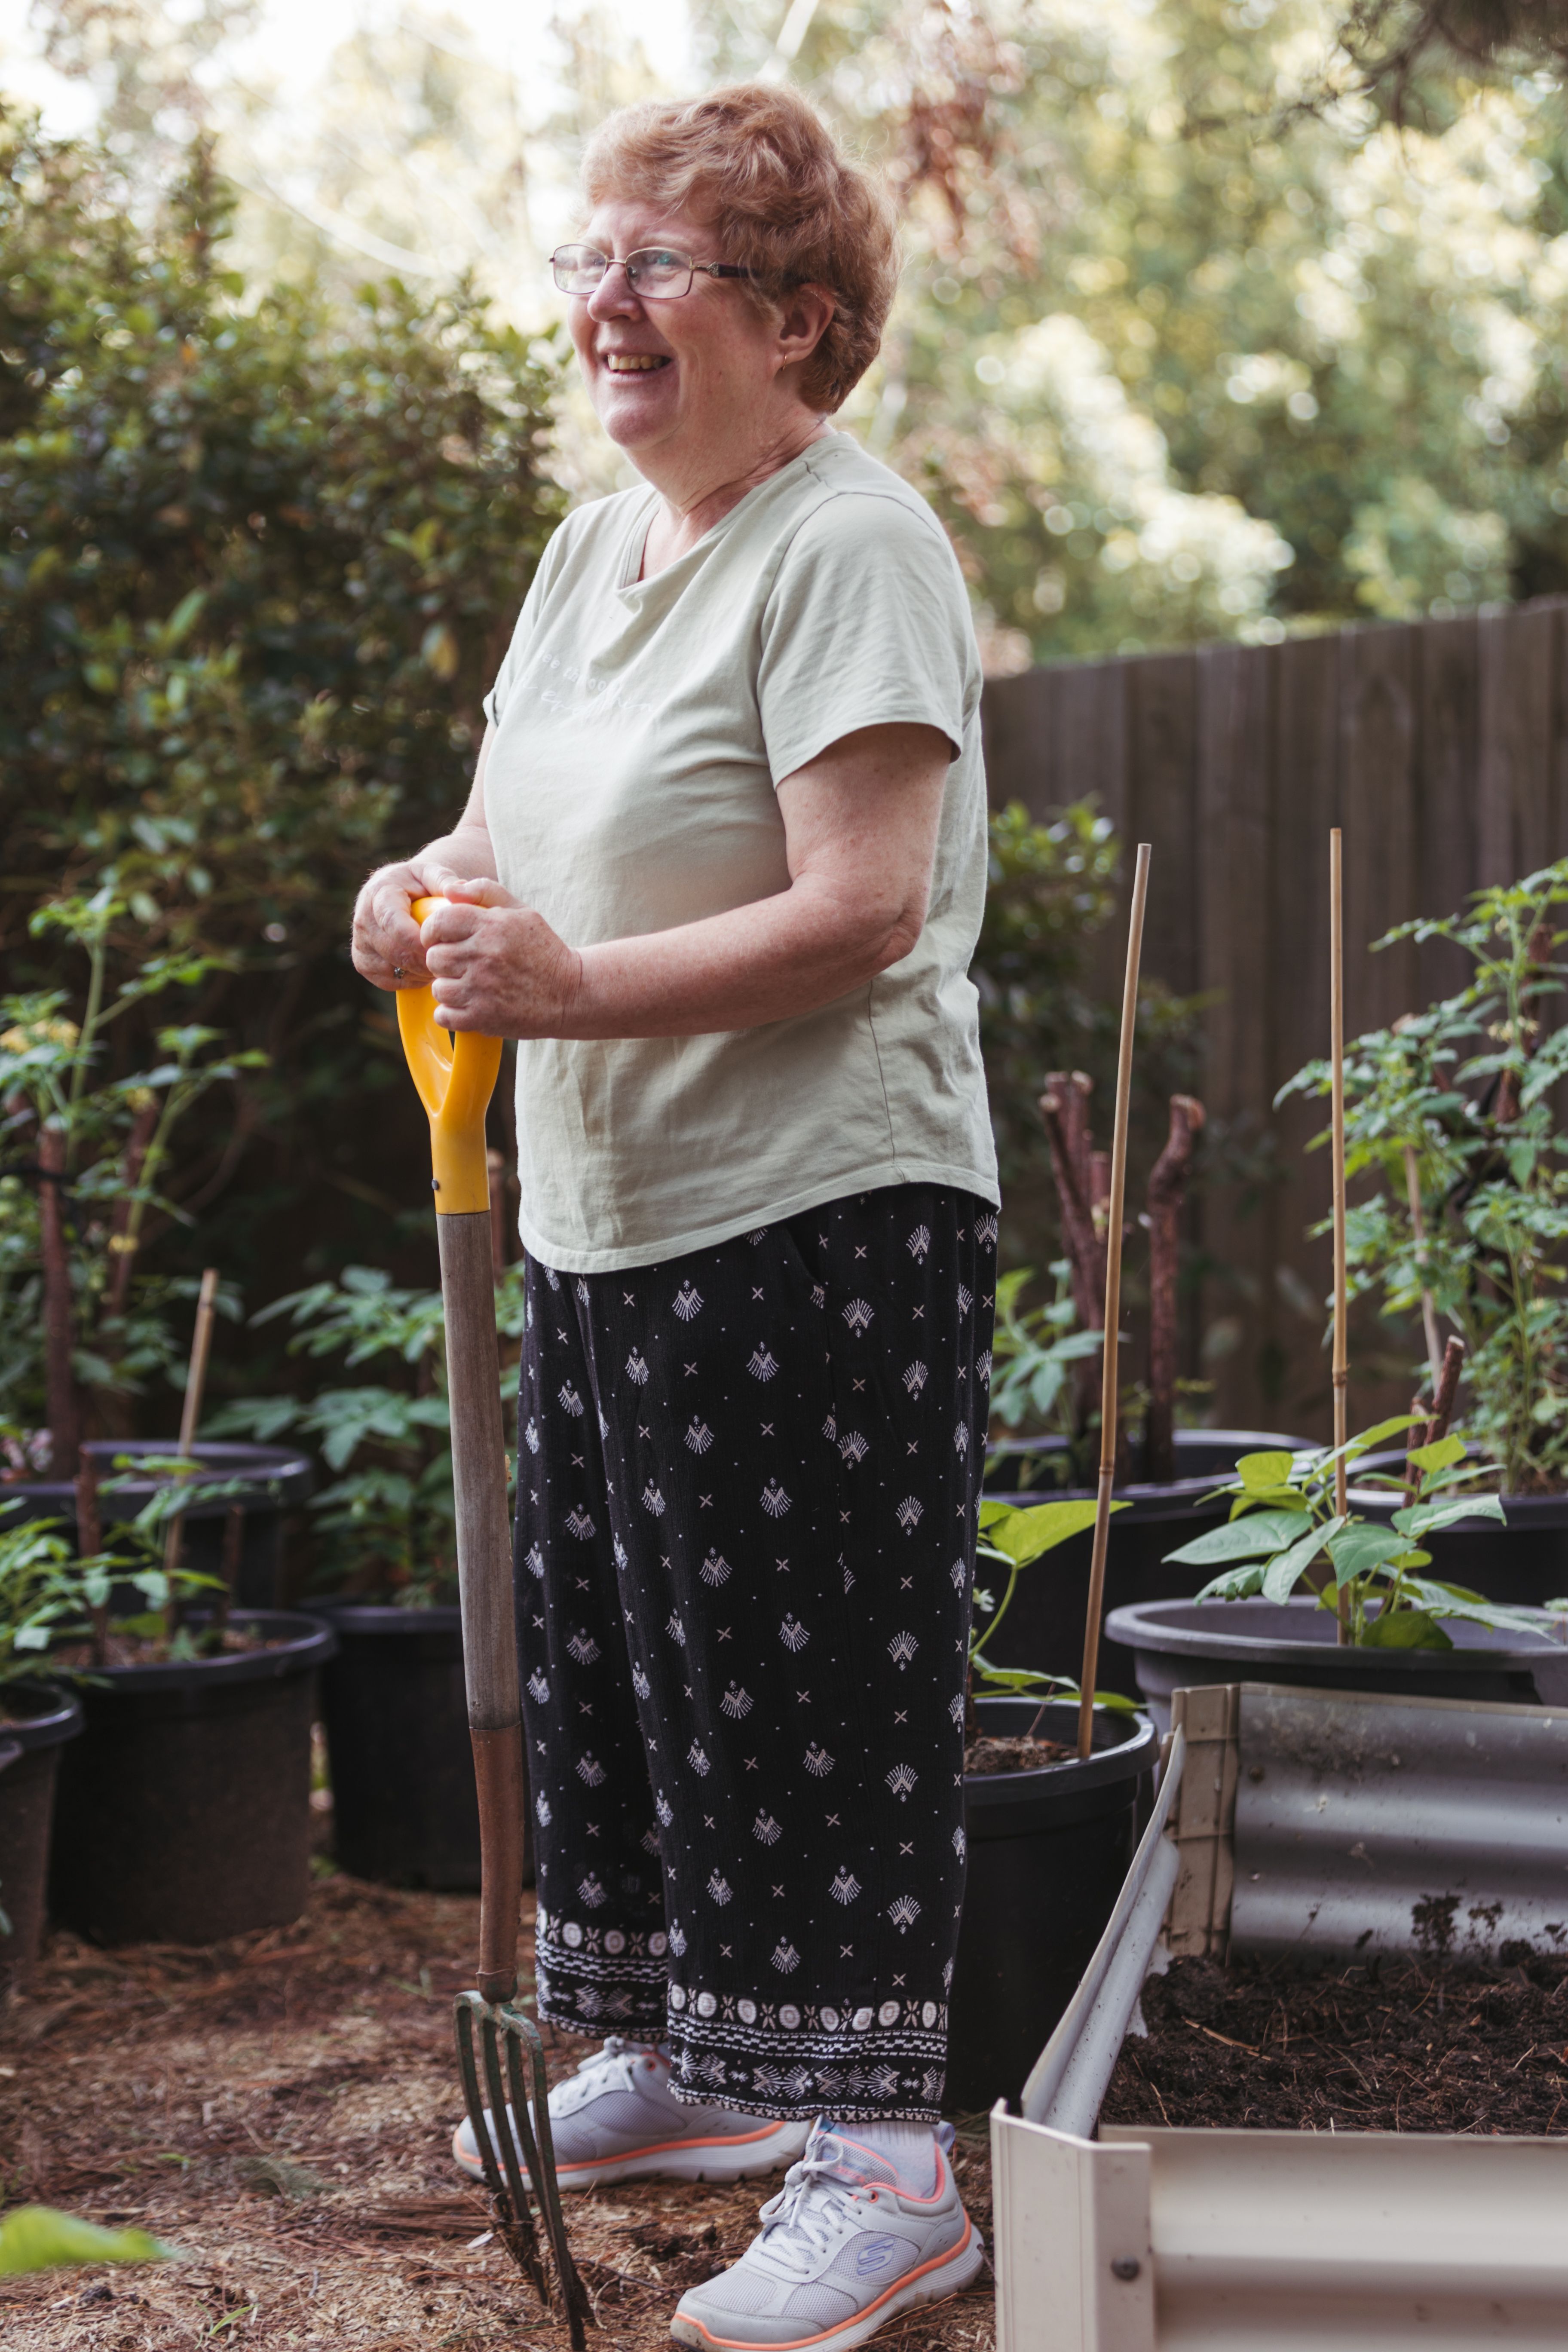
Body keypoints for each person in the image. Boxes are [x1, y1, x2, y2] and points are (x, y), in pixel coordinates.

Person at [351, 80, 998, 2352]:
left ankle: (888, 2165)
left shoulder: (851, 546)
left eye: (663, 266)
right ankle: (693, 2070)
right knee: (641, 1671)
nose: (604, 305)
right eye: (589, 260)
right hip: (611, 1215)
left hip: (818, 1213)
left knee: (813, 1684)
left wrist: (577, 986)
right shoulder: (589, 549)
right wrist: (421, 898)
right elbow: (499, 833)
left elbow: (868, 907)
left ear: (804, 319)